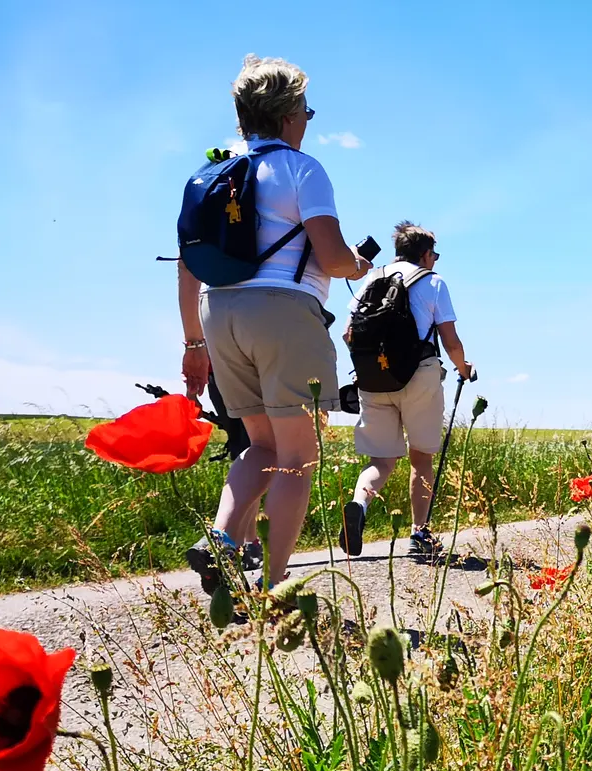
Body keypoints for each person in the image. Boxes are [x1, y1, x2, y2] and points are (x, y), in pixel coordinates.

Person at [178, 54, 372, 594]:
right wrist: (359, 264)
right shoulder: (301, 169)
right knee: (297, 458)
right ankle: (274, 583)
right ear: (288, 113)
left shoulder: (214, 172)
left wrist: (195, 341)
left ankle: (221, 539)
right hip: (285, 310)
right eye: (307, 111)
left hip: (219, 313)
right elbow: (332, 258)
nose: (309, 121)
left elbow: (189, 266)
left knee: (259, 446)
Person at [338, 222, 474, 558]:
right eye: (434, 254)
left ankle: (359, 505)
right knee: (421, 457)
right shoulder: (433, 282)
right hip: (419, 375)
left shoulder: (372, 280)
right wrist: (464, 369)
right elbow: (450, 341)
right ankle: (419, 534)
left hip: (372, 379)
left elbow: (347, 334)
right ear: (426, 253)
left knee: (381, 460)